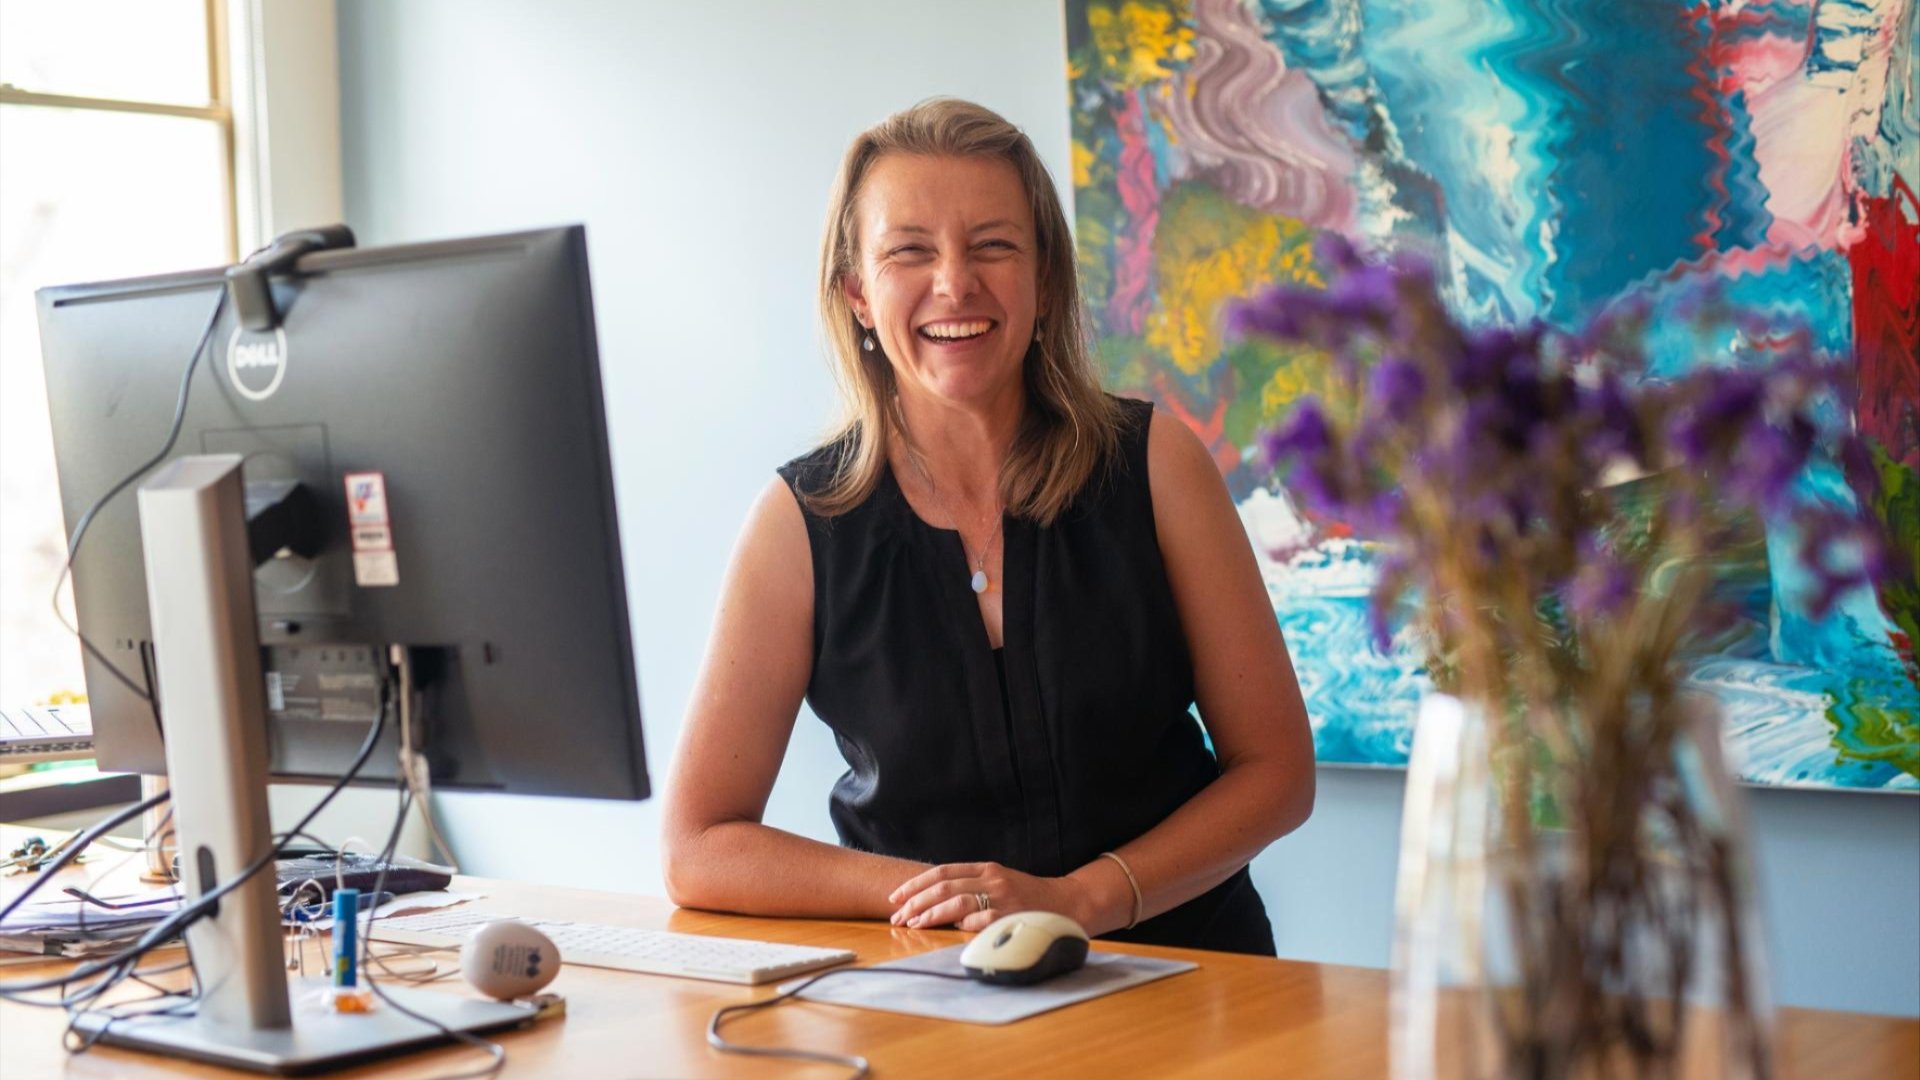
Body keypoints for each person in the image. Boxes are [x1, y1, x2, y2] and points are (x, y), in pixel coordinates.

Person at [661, 99, 1314, 954]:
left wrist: (1081, 900)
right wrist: (936, 894)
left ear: (1044, 279)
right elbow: (696, 846)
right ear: (857, 291)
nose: (954, 283)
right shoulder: (797, 524)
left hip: (1196, 981)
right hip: (932, 1004)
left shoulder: (1157, 465)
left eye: (993, 245)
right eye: (910, 251)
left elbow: (1277, 772)